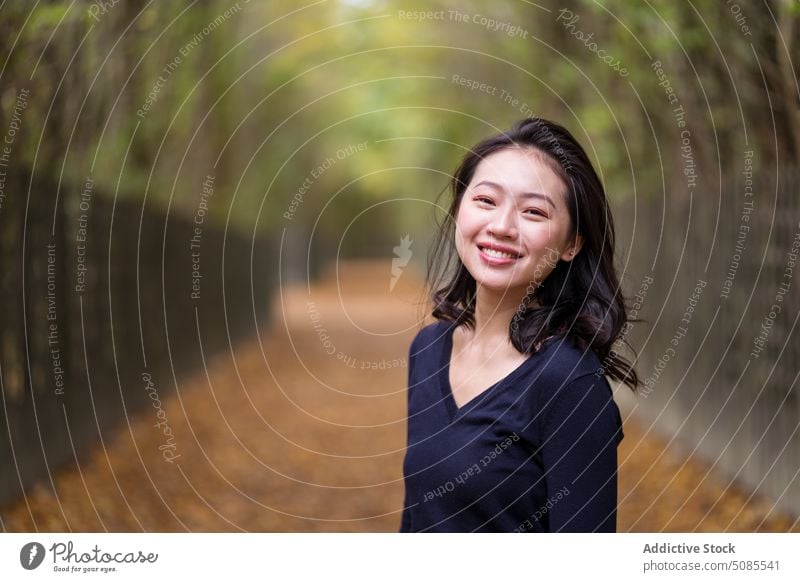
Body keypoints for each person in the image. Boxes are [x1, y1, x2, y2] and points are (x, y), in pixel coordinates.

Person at [399, 117, 639, 533]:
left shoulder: (568, 385)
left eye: (533, 211)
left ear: (571, 244)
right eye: (486, 201)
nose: (502, 227)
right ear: (459, 210)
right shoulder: (427, 350)